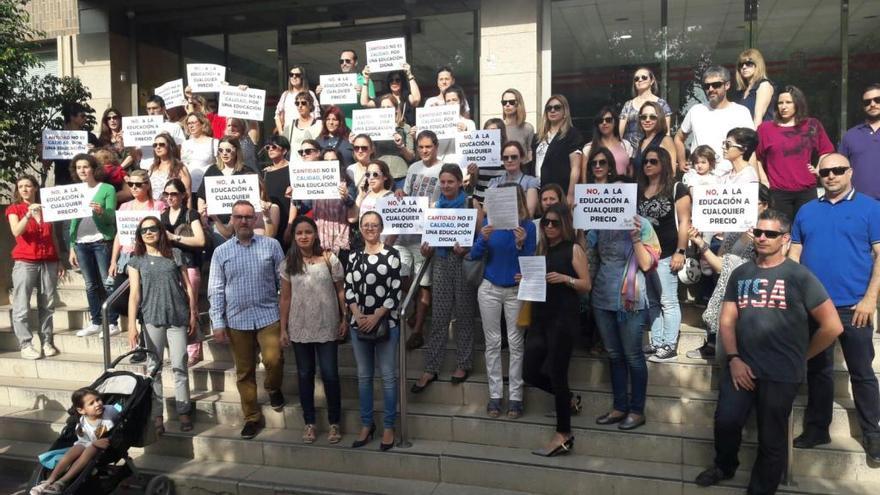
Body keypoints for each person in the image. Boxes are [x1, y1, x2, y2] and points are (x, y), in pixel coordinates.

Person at [694, 209, 843, 494]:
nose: (761, 238)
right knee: (726, 420)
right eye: (758, 232)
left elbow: (832, 326)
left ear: (785, 239)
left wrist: (802, 357)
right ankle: (724, 466)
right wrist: (735, 359)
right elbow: (727, 320)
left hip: (782, 372)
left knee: (772, 438)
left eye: (770, 234)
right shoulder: (741, 273)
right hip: (742, 366)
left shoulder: (799, 276)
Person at [788, 154, 880, 461]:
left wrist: (870, 300)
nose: (831, 176)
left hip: (855, 308)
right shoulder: (806, 210)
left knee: (862, 372)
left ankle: (873, 434)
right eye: (825, 171)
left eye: (838, 170)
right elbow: (795, 254)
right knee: (818, 371)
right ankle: (817, 429)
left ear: (850, 172)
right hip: (815, 307)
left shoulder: (871, 207)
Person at [208, 200, 286, 439]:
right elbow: (216, 288)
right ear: (231, 219)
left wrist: (285, 317)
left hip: (268, 315)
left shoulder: (271, 246)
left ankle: (273, 388)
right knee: (244, 371)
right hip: (237, 320)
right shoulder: (221, 252)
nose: (243, 221)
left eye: (248, 217)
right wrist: (217, 322)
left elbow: (283, 283)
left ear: (255, 220)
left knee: (274, 360)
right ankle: (251, 417)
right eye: (238, 217)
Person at [524, 204, 590, 456]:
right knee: (529, 370)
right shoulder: (543, 249)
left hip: (563, 319)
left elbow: (586, 285)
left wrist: (566, 279)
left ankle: (564, 433)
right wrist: (526, 279)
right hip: (541, 317)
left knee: (557, 373)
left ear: (564, 224)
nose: (549, 227)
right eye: (546, 223)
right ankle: (569, 400)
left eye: (554, 222)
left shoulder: (573, 249)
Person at [469, 184, 537, 418]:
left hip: (516, 289)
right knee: (493, 343)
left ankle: (516, 397)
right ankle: (495, 396)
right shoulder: (489, 223)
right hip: (489, 287)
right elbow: (474, 255)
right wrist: (482, 239)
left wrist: (521, 244)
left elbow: (530, 264)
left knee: (517, 343)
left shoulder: (527, 226)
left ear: (518, 201)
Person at [127, 216, 198, 433]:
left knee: (179, 364)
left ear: (160, 231)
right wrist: (131, 325)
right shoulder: (136, 259)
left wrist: (193, 312)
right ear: (139, 235)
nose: (148, 233)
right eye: (144, 230)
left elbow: (188, 287)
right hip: (151, 317)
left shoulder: (175, 254)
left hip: (177, 315)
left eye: (153, 229)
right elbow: (134, 294)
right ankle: (158, 415)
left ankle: (184, 410)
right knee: (154, 367)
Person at [279, 216, 347, 445]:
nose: (304, 236)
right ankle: (309, 423)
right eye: (299, 233)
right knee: (305, 375)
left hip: (327, 325)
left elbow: (340, 291)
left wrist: (344, 317)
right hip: (300, 327)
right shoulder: (289, 262)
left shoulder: (330, 258)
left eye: (308, 232)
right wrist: (283, 328)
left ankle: (334, 422)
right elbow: (285, 297)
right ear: (294, 236)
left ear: (315, 234)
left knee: (329, 375)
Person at [590, 213, 660, 432]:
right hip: (602, 298)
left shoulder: (644, 224)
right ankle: (619, 407)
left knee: (633, 356)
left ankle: (637, 411)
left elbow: (648, 264)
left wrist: (636, 238)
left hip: (631, 300)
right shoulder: (599, 222)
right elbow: (586, 252)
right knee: (614, 354)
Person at [411, 165, 477, 393]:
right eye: (443, 182)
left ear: (460, 182)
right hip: (440, 263)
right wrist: (426, 249)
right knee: (439, 316)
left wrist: (467, 249)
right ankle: (431, 366)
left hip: (462, 263)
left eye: (451, 181)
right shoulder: (434, 207)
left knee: (465, 314)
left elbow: (479, 240)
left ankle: (464, 363)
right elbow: (426, 244)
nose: (446, 185)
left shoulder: (470, 204)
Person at [686, 185, 770, 361]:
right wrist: (700, 243)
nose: (748, 206)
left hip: (752, 297)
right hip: (727, 293)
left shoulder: (770, 233)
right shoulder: (733, 228)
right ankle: (714, 346)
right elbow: (720, 265)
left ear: (765, 206)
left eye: (753, 203)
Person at [345, 211, 403, 451]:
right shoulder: (354, 256)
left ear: (381, 227)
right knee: (364, 377)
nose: (370, 228)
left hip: (385, 323)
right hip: (359, 323)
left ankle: (389, 426)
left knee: (388, 378)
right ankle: (367, 424)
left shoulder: (392, 255)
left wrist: (377, 315)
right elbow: (349, 287)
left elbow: (396, 290)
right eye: (366, 225)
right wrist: (358, 315)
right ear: (361, 227)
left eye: (375, 225)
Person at [637, 147, 691, 362]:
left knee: (668, 300)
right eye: (645, 162)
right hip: (645, 254)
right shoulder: (639, 190)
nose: (648, 165)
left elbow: (685, 221)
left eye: (653, 161)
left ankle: (669, 345)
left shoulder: (677, 188)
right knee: (651, 300)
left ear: (664, 164)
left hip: (668, 252)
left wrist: (681, 250)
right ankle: (657, 342)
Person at [396, 130, 445, 350]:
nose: (424, 151)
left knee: (425, 282)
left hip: (427, 233)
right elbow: (407, 195)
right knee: (399, 274)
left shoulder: (443, 168)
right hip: (407, 231)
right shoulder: (413, 168)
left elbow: (446, 198)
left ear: (436, 146)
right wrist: (400, 197)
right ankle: (413, 305)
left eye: (428, 146)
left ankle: (417, 332)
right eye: (421, 147)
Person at [757, 85, 835, 220]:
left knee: (808, 230)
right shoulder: (766, 128)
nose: (783, 106)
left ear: (797, 103)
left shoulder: (812, 125)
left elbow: (826, 150)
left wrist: (818, 168)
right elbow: (757, 158)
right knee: (781, 234)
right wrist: (764, 180)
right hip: (778, 192)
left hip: (806, 190)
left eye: (788, 102)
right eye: (780, 103)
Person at [7, 175, 62, 360]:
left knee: (47, 303)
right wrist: (28, 214)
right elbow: (16, 231)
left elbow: (52, 236)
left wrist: (59, 258)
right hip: (25, 261)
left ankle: (46, 341)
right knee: (21, 305)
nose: (24, 189)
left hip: (48, 260)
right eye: (20, 186)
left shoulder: (47, 209)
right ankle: (26, 344)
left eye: (28, 186)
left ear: (35, 188)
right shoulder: (15, 209)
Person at [30, 388, 120, 495]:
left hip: (103, 446)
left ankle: (61, 482)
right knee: (72, 451)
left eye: (98, 399)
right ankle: (49, 480)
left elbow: (121, 423)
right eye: (91, 403)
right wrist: (91, 442)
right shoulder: (82, 421)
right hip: (86, 442)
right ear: (82, 410)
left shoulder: (110, 411)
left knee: (91, 448)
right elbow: (83, 439)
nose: (97, 404)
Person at [68, 154, 118, 337]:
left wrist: (101, 211)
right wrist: (72, 245)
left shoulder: (107, 189)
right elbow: (72, 222)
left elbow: (111, 218)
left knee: (107, 282)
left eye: (85, 166)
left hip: (101, 240)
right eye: (78, 167)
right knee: (90, 285)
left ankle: (112, 322)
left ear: (93, 169)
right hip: (81, 243)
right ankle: (96, 321)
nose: (82, 170)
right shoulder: (74, 191)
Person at [674, 66, 754, 177]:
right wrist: (682, 161)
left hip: (731, 178)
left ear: (727, 85)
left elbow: (751, 147)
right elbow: (679, 137)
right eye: (706, 86)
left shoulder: (741, 112)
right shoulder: (696, 110)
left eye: (716, 85)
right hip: (699, 178)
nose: (711, 89)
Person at [160, 179, 206, 366]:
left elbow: (200, 241)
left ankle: (194, 348)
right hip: (170, 266)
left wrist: (175, 237)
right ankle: (179, 345)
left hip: (189, 264)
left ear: (182, 195)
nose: (170, 198)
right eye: (167, 194)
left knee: (191, 306)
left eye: (174, 194)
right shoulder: (162, 216)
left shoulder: (190, 214)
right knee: (176, 307)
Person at [196, 137, 254, 246]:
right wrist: (202, 214)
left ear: (236, 151)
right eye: (220, 150)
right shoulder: (212, 170)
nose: (224, 153)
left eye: (228, 150)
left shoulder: (246, 171)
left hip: (242, 222)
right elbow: (201, 196)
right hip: (217, 222)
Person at [534, 95, 582, 206]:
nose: (552, 110)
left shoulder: (572, 134)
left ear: (565, 111)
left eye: (557, 107)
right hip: (539, 191)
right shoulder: (538, 137)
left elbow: (576, 167)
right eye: (549, 108)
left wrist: (571, 194)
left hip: (559, 191)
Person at [840, 83, 880, 200]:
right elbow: (840, 170)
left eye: (877, 100)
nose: (872, 104)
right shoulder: (851, 135)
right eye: (867, 102)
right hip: (859, 204)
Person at [316, 49, 375, 128]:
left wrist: (363, 93)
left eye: (347, 61)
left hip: (359, 126)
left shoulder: (365, 81)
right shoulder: (334, 82)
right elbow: (328, 108)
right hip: (340, 128)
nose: (344, 64)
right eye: (341, 61)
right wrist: (322, 96)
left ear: (356, 62)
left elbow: (373, 107)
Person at [619, 67, 673, 152]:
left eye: (644, 77)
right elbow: (620, 134)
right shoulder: (628, 105)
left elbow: (667, 133)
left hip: (654, 152)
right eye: (636, 79)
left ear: (652, 81)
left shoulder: (662, 104)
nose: (640, 80)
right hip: (630, 153)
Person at [261, 135, 297, 248]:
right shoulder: (265, 172)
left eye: (274, 147)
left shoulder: (293, 169)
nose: (270, 149)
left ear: (284, 150)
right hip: (270, 221)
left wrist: (290, 227)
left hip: (287, 220)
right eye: (268, 147)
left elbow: (294, 201)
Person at [486, 141, 540, 217]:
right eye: (505, 157)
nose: (509, 160)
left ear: (521, 158)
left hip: (522, 227)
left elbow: (529, 212)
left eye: (514, 157)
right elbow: (486, 209)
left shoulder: (531, 181)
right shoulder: (495, 182)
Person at [373, 95, 415, 189]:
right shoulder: (373, 128)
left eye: (389, 107)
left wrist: (401, 146)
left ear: (396, 109)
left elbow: (411, 157)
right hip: (379, 175)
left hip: (400, 177)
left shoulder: (405, 128)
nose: (385, 110)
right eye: (383, 108)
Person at [583, 106, 633, 178]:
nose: (604, 123)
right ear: (597, 125)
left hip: (622, 187)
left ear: (615, 122)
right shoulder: (588, 148)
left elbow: (630, 172)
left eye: (608, 120)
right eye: (600, 120)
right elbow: (584, 177)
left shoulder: (625, 145)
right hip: (597, 188)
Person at [139, 95, 187, 168]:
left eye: (154, 108)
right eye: (148, 109)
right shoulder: (140, 128)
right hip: (145, 169)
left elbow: (181, 151)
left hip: (167, 168)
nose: (151, 112)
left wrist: (169, 139)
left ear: (163, 109)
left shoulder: (174, 127)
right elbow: (137, 156)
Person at [632, 101, 677, 175]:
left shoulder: (666, 140)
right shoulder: (641, 142)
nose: (647, 120)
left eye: (652, 117)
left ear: (659, 118)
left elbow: (672, 173)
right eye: (643, 117)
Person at [733, 49, 776, 126]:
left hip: (758, 134)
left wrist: (753, 137)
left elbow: (758, 118)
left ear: (758, 65)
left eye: (748, 64)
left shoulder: (764, 85)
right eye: (741, 65)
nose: (744, 67)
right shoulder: (742, 91)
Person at [180, 111, 219, 196]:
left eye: (193, 122)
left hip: (206, 189)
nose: (190, 125)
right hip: (188, 190)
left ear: (202, 123)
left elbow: (220, 166)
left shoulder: (214, 143)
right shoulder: (185, 144)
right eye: (188, 123)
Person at [276, 64, 320, 133]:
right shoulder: (285, 95)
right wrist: (281, 132)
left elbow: (317, 116)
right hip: (289, 134)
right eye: (291, 75)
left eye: (297, 75)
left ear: (302, 77)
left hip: (307, 132)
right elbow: (277, 116)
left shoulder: (310, 94)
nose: (294, 77)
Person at [148, 132, 191, 201]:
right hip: (154, 209)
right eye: (155, 145)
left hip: (172, 208)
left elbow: (187, 196)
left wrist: (187, 212)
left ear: (170, 146)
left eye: (161, 144)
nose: (158, 147)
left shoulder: (180, 168)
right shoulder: (152, 168)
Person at [501, 88, 536, 167]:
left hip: (522, 172)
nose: (507, 105)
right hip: (500, 172)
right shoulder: (497, 127)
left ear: (518, 104)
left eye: (512, 102)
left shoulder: (528, 128)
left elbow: (530, 154)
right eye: (504, 102)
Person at [285, 92, 323, 156]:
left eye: (303, 103)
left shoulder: (319, 124)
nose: (300, 106)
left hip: (313, 163)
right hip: (295, 163)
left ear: (310, 105)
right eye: (297, 103)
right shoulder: (290, 125)